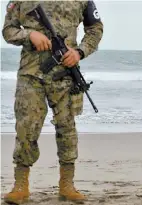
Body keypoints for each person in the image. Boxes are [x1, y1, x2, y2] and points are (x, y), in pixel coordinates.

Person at [2, 1, 103, 204]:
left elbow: (95, 28)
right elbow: (8, 30)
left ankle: (67, 185)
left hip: (66, 75)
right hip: (31, 74)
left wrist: (79, 52)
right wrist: (29, 35)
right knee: (26, 128)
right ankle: (20, 186)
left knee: (67, 129)